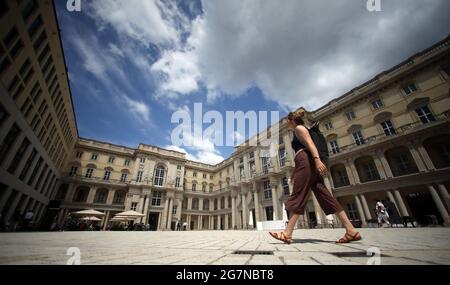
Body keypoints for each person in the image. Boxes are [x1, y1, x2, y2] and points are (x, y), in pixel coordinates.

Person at [269, 109, 362, 244]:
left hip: (306, 162)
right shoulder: (299, 129)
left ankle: (287, 233)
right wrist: (296, 171)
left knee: (299, 194)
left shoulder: (299, 128)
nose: (286, 124)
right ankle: (351, 230)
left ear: (291, 120)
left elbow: (310, 145)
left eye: (286, 121)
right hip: (305, 162)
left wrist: (317, 160)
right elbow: (305, 148)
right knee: (325, 195)